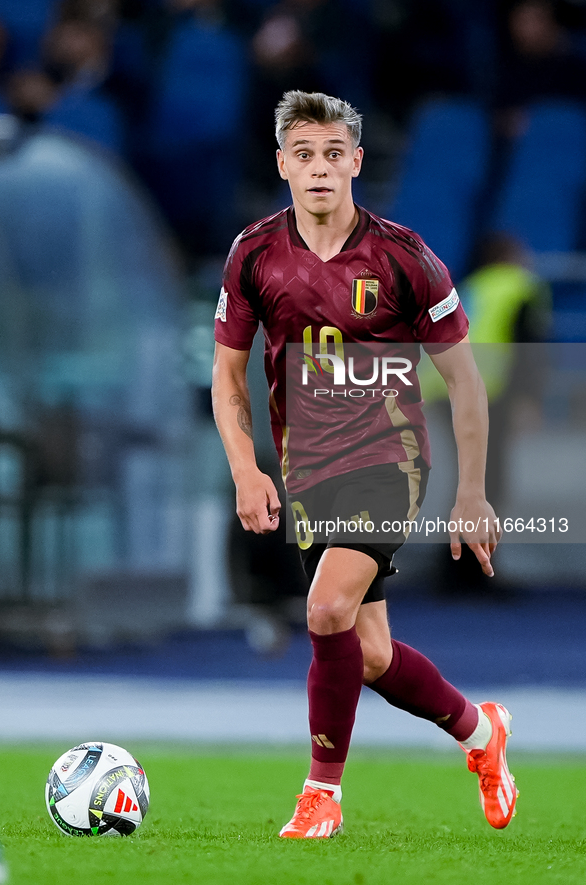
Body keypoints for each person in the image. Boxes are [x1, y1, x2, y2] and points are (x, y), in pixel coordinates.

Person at [212, 90, 518, 838]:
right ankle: (481, 733)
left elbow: (466, 381)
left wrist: (470, 492)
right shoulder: (254, 252)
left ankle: (322, 794)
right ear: (283, 165)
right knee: (369, 652)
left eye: (332, 154)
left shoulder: (403, 257)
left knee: (322, 609)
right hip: (307, 468)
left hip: (388, 457)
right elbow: (226, 377)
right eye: (304, 155)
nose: (319, 168)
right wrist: (247, 471)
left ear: (355, 161)